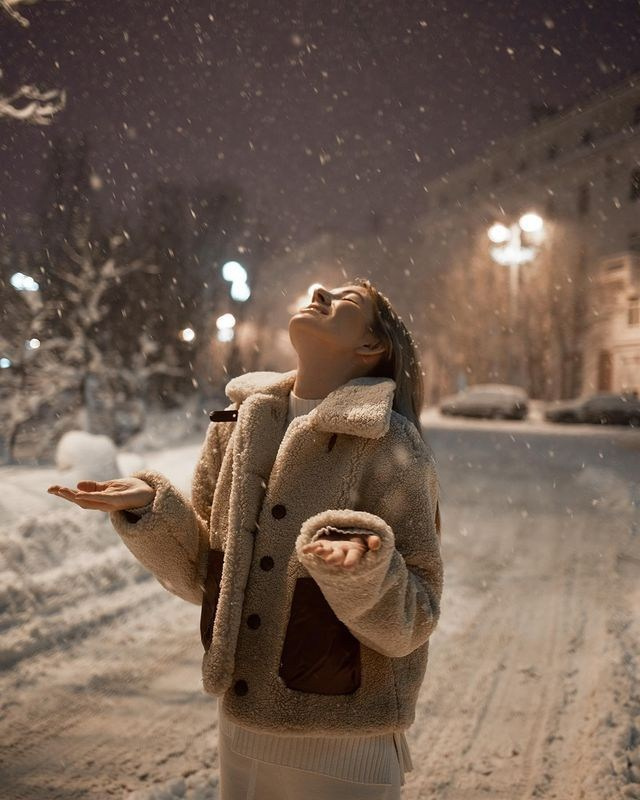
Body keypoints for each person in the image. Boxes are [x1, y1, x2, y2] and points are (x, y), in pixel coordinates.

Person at [48, 277, 443, 800]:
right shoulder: (239, 424)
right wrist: (151, 507)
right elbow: (210, 576)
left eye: (346, 300)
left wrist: (365, 572)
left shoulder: (389, 442)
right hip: (243, 724)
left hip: (346, 744)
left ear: (372, 347)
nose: (321, 292)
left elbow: (413, 619)